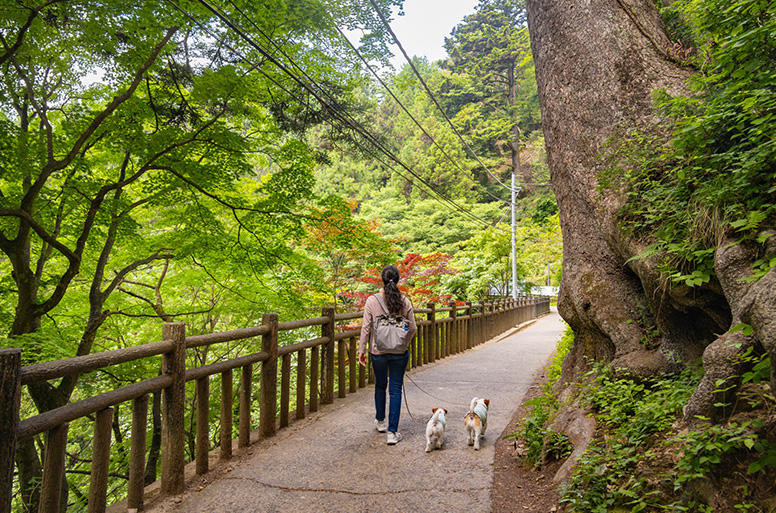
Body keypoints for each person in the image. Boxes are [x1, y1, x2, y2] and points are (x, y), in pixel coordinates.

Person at [358, 265, 417, 445]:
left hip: (378, 351)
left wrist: (362, 350)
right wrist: (402, 340)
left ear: (382, 280)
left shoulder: (372, 301)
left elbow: (366, 328)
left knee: (380, 385)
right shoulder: (405, 301)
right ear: (398, 280)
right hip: (399, 352)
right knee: (396, 389)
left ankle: (381, 422)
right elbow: (412, 327)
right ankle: (392, 433)